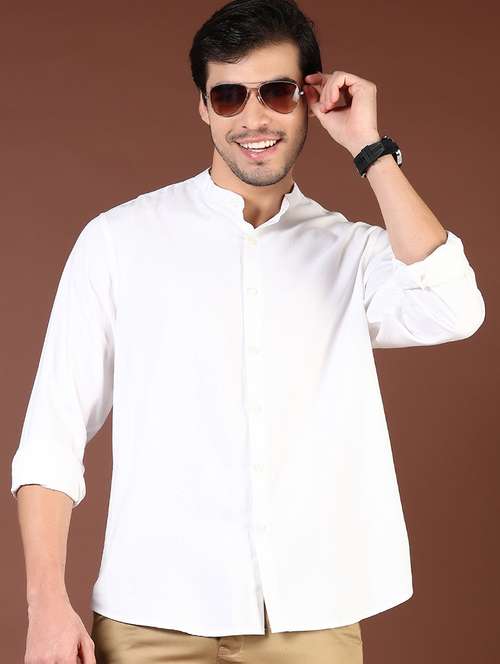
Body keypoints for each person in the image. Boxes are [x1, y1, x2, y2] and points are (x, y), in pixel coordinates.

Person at [11, 0, 485, 662]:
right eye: (229, 96)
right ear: (204, 108)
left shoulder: (351, 253)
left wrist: (371, 149)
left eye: (278, 93)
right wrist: (45, 606)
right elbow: (51, 435)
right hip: (150, 620)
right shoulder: (119, 242)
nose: (254, 118)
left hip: (311, 622)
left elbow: (453, 307)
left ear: (310, 99)